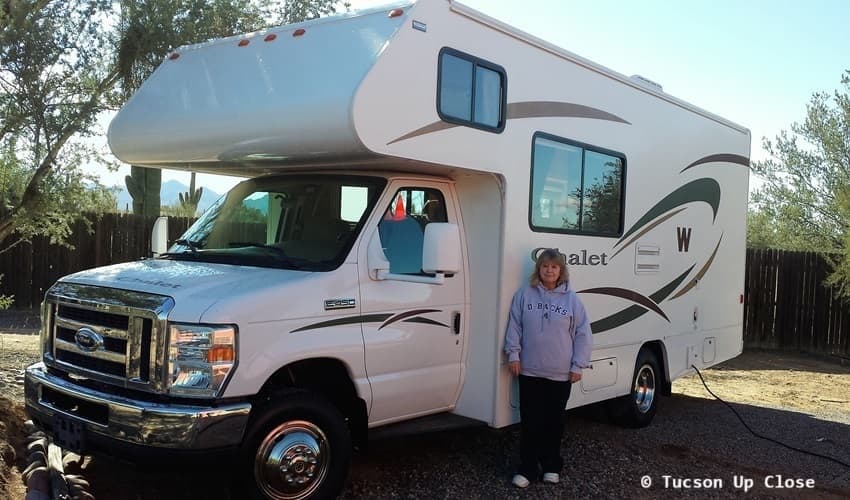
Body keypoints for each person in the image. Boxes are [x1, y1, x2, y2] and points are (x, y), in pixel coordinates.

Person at [503, 248, 592, 488]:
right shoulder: (524, 295)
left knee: (554, 423)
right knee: (530, 422)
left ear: (561, 271)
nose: (549, 270)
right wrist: (513, 354)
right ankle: (527, 469)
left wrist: (577, 365)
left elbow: (584, 334)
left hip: (561, 374)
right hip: (530, 371)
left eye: (554, 267)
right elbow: (515, 327)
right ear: (538, 270)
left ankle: (551, 466)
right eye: (545, 266)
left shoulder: (572, 300)